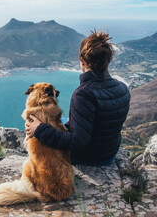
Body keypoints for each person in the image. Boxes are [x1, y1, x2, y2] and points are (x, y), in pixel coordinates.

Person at [25, 30, 130, 166]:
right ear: (107, 61)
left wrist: (39, 129)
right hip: (109, 154)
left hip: (88, 158)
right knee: (61, 120)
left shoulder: (83, 94)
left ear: (82, 60)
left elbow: (78, 142)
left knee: (40, 121)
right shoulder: (122, 88)